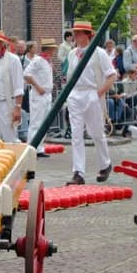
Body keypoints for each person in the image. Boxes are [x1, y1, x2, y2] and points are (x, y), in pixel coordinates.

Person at [64, 21, 117, 185]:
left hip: (91, 92)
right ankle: (78, 172)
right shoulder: (72, 54)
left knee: (96, 132)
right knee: (76, 134)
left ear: (88, 35)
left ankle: (105, 164)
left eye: (80, 33)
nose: (77, 36)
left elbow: (111, 75)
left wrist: (98, 93)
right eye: (75, 33)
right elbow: (69, 76)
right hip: (75, 94)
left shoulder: (99, 53)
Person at [23, 38, 57, 157]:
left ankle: (39, 147)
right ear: (49, 49)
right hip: (39, 94)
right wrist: (38, 87)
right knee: (36, 121)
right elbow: (26, 74)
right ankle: (33, 147)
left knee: (43, 121)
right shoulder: (38, 60)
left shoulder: (46, 61)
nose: (54, 51)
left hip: (46, 94)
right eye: (53, 49)